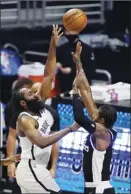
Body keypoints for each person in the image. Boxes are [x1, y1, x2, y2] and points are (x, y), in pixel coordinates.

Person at [6, 25, 62, 180]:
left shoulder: (41, 106)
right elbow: (11, 137)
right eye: (31, 93)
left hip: (43, 165)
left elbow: (49, 74)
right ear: (24, 103)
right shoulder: (21, 120)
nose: (37, 94)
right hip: (27, 166)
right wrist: (10, 162)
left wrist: (53, 46)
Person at [72, 42, 117, 194]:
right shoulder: (102, 127)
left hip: (99, 189)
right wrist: (78, 63)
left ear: (102, 120)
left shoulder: (101, 132)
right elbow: (86, 91)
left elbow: (79, 116)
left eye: (97, 113)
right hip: (94, 188)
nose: (94, 113)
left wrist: (74, 91)